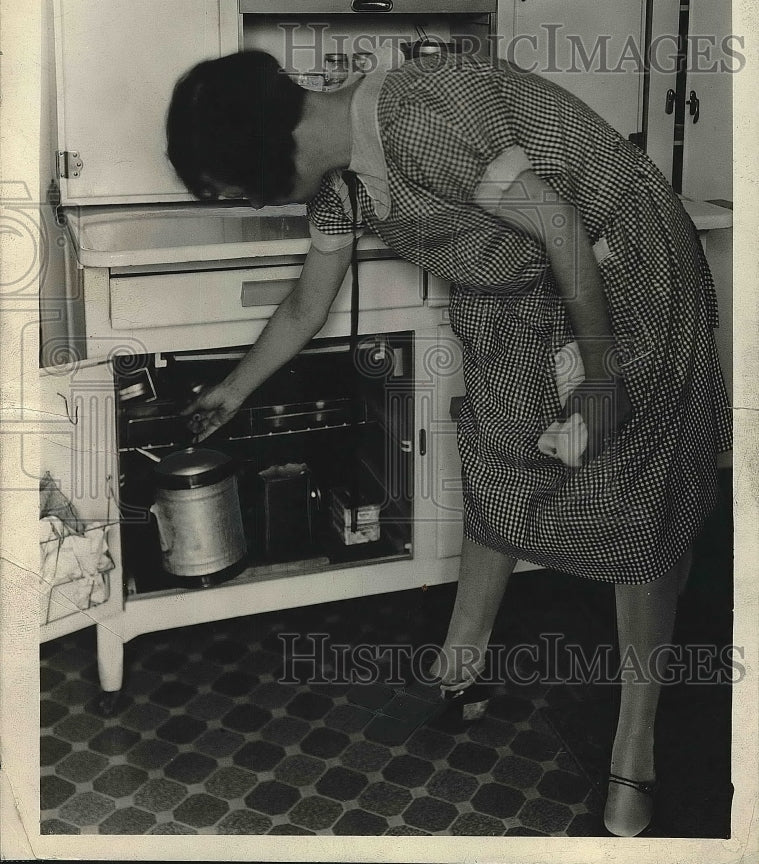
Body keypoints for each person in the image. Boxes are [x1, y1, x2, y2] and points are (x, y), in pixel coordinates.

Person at [165, 48, 732, 837]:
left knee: (631, 506)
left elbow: (562, 226)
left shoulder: (419, 117)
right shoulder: (340, 189)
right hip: (519, 290)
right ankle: (459, 664)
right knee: (499, 467)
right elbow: (304, 305)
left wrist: (600, 379)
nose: (240, 199)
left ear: (266, 152)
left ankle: (633, 750)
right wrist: (231, 390)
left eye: (233, 185)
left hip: (619, 263)